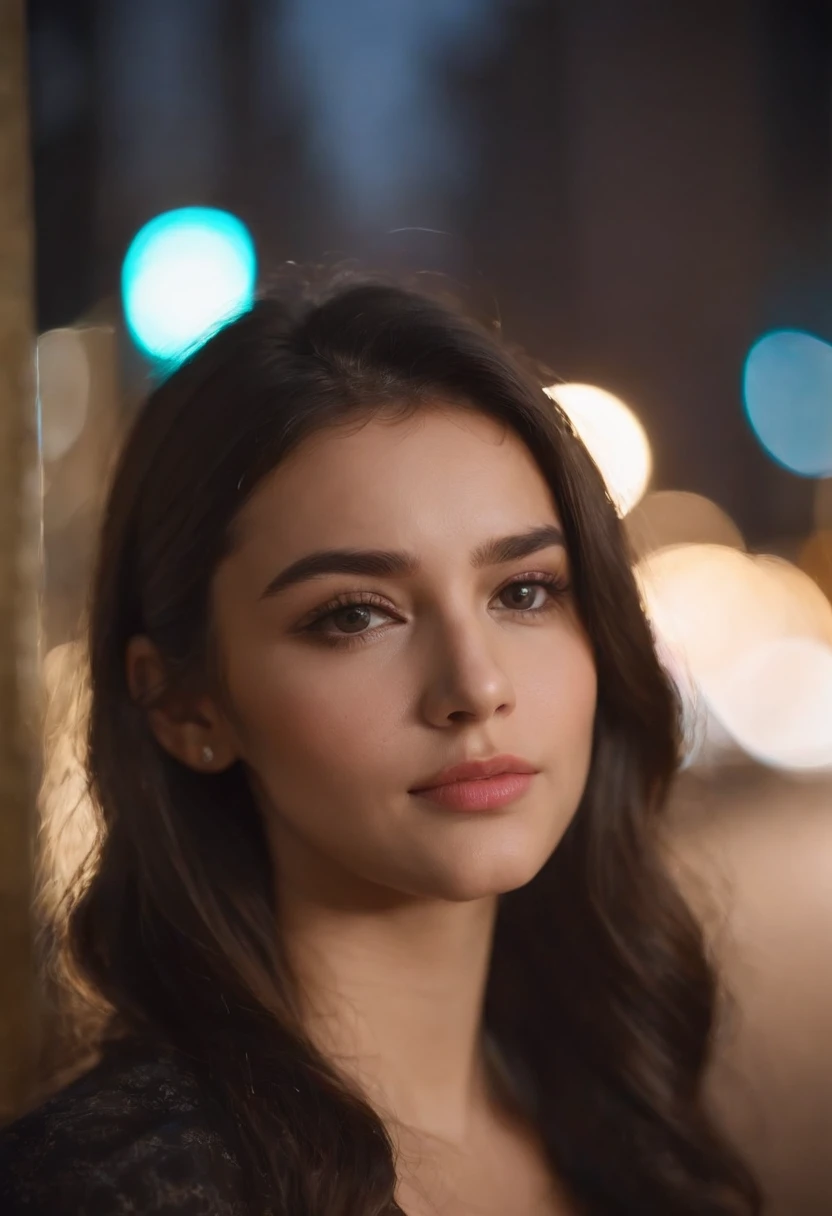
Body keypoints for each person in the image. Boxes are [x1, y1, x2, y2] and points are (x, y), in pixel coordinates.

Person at [0, 278, 761, 1215]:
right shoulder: (114, 1189)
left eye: (523, 591)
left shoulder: (622, 1111)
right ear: (186, 706)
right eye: (355, 614)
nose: (477, 688)